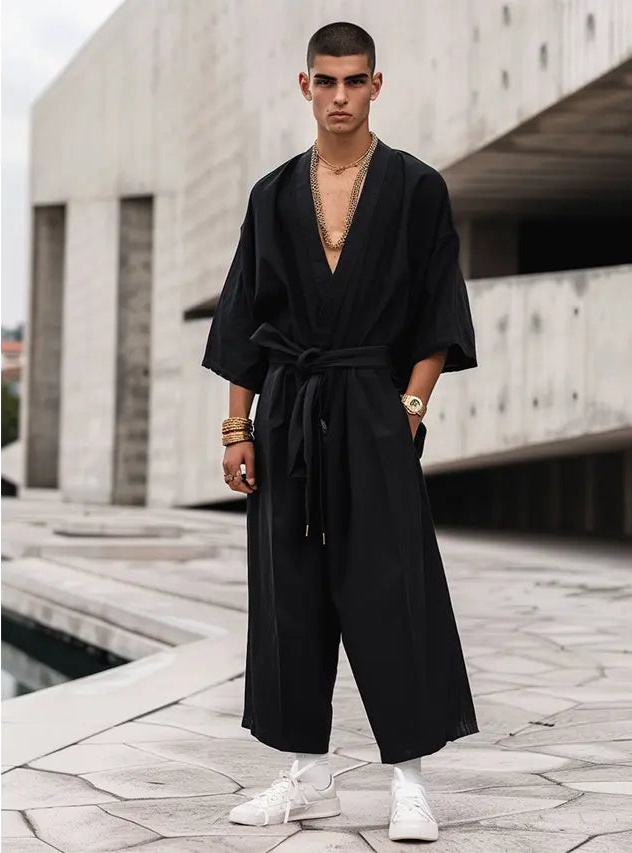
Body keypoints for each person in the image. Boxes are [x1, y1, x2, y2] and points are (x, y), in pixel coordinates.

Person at [202, 22, 478, 843]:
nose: (340, 98)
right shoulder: (272, 193)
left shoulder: (415, 188)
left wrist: (410, 408)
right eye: (326, 82)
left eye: (355, 81)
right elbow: (245, 319)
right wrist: (235, 428)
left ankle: (411, 784)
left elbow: (437, 313)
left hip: (371, 405)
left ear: (377, 85)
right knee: (290, 594)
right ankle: (308, 776)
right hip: (287, 410)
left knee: (393, 591)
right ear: (304, 86)